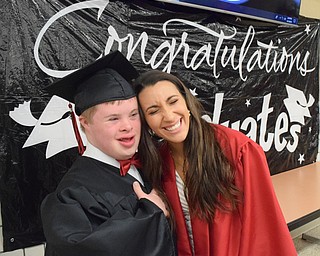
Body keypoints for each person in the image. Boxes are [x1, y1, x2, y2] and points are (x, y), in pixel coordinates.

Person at [133, 70, 297, 256]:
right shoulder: (158, 162)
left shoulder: (237, 150)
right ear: (146, 122)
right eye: (154, 111)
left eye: (173, 101)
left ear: (187, 102)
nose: (169, 116)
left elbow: (263, 226)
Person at [40, 52, 176, 256]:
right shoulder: (72, 198)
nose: (128, 127)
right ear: (85, 123)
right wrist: (150, 213)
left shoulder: (149, 165)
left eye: (133, 115)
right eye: (113, 119)